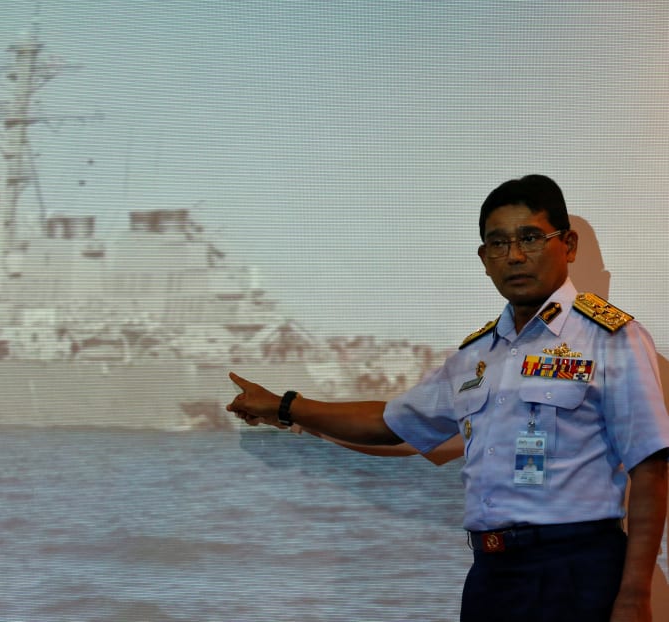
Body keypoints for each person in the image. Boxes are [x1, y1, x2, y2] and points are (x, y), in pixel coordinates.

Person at [226, 174, 669, 622]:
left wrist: (634, 595)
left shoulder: (612, 338)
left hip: (576, 572)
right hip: (491, 575)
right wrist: (284, 405)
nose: (514, 255)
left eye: (531, 238)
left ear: (568, 245)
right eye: (498, 243)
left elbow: (650, 469)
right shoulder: (474, 357)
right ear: (484, 258)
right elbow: (388, 423)